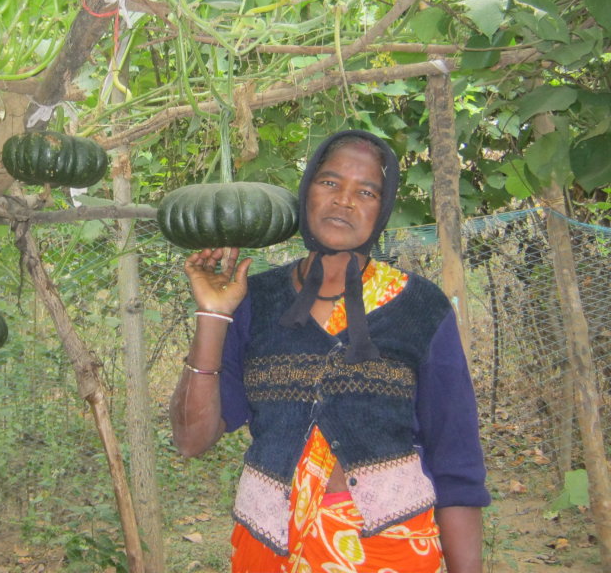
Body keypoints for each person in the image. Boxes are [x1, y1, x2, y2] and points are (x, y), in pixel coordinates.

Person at [170, 129, 490, 573]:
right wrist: (213, 313)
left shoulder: (419, 307)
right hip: (269, 546)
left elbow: (456, 460)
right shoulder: (254, 300)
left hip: (388, 551)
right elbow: (191, 439)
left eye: (366, 191)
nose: (344, 200)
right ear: (306, 192)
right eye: (329, 182)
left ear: (382, 209)